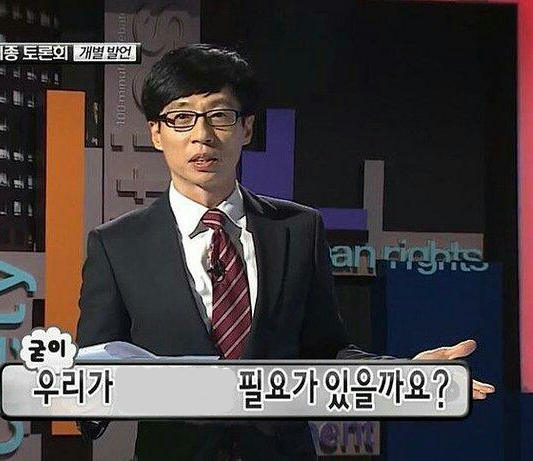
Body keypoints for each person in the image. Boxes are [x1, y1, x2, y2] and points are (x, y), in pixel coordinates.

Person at [76, 43, 495, 460]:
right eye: (182, 118)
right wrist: (72, 394)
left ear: (246, 128)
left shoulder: (298, 229)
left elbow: (325, 351)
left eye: (220, 116)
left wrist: (405, 377)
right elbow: (95, 371)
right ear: (156, 133)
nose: (202, 136)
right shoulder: (117, 245)